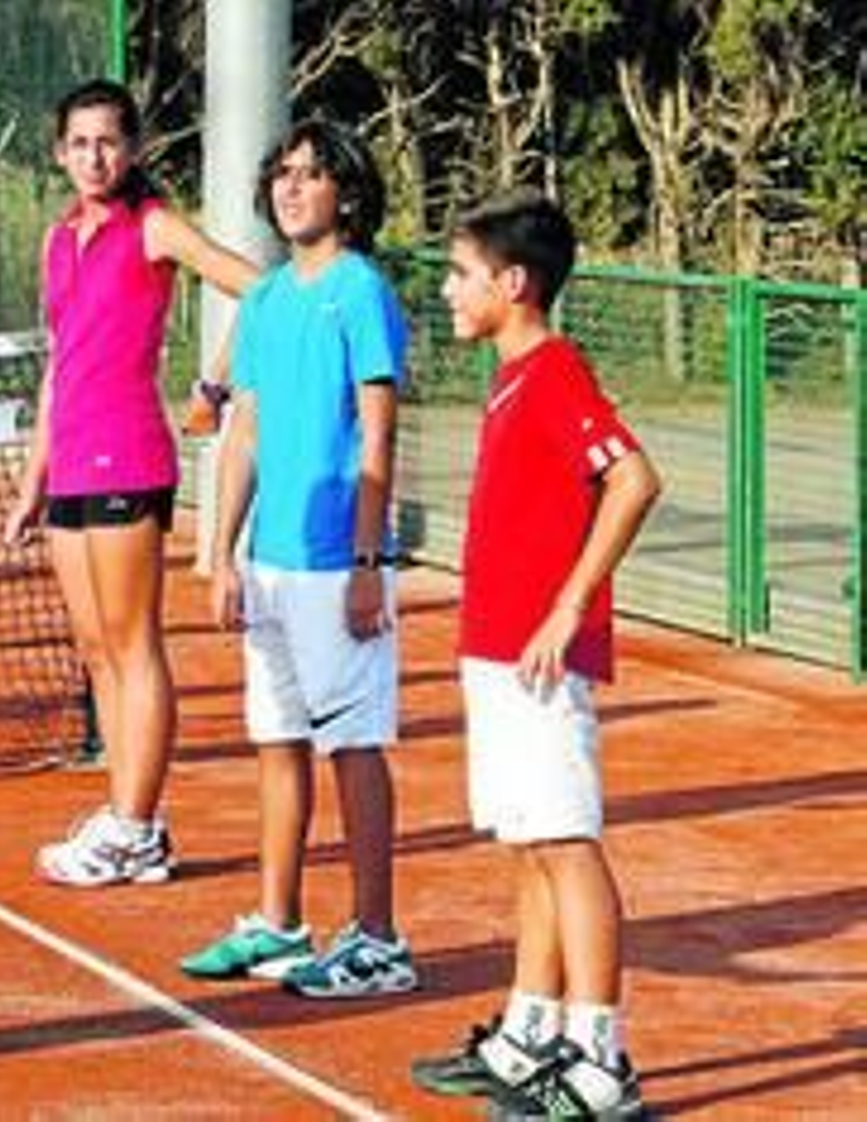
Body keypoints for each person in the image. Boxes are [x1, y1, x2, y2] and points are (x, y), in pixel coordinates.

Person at [410, 190, 660, 1119]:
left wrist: (567, 606)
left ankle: (601, 1062)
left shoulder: (554, 372)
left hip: (539, 656)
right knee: (530, 843)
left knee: (567, 843)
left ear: (513, 284)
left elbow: (632, 479)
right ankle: (529, 1033)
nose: (447, 290)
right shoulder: (514, 376)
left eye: (462, 275)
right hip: (501, 653)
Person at [178, 121, 418, 1000]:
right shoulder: (269, 299)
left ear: (344, 195)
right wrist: (221, 555)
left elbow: (379, 431)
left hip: (334, 561)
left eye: (311, 176)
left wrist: (365, 560)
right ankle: (279, 923)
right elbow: (243, 431)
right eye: (281, 174)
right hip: (269, 564)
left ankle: (380, 937)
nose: (292, 189)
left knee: (352, 746)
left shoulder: (360, 292)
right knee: (278, 740)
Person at [4, 78, 258, 887]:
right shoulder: (56, 240)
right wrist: (31, 480)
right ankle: (126, 817)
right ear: (59, 152)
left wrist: (215, 383)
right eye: (79, 143)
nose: (93, 157)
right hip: (73, 463)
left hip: (130, 454)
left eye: (108, 141)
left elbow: (261, 290)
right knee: (95, 650)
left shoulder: (154, 228)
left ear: (134, 148)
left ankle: (137, 824)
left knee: (133, 643)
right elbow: (58, 367)